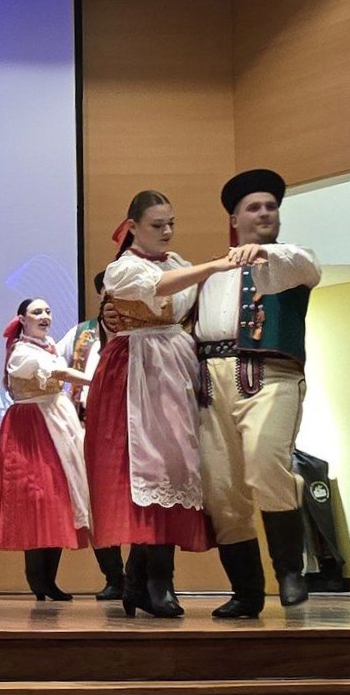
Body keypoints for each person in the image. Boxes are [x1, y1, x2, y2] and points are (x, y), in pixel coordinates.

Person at [84, 190, 239, 619]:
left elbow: (191, 300)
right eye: (157, 225)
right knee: (146, 468)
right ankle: (156, 581)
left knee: (174, 469)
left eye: (171, 223)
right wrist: (212, 266)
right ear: (133, 226)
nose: (167, 231)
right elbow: (155, 288)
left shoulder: (177, 263)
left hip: (175, 364)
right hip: (136, 370)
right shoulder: (123, 268)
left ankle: (142, 580)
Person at [197, 170, 323, 618]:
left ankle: (289, 571)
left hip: (270, 375)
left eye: (271, 206)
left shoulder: (290, 262)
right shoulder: (210, 273)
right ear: (234, 219)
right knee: (221, 488)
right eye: (255, 207)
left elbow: (305, 266)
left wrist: (264, 252)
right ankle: (246, 592)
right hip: (211, 380)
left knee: (266, 463)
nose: (266, 212)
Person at [0, 299, 93, 601]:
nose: (44, 316)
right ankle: (38, 580)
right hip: (31, 427)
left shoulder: (49, 346)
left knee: (59, 498)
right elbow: (59, 373)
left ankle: (49, 581)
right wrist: (96, 379)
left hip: (57, 421)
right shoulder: (21, 352)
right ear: (22, 319)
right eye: (36, 313)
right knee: (36, 499)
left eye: (47, 312)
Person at [59, 270, 127, 600]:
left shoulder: (140, 333)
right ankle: (115, 576)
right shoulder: (80, 334)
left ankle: (143, 575)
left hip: (131, 426)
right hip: (88, 426)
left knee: (138, 501)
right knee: (95, 502)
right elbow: (52, 366)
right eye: (108, 293)